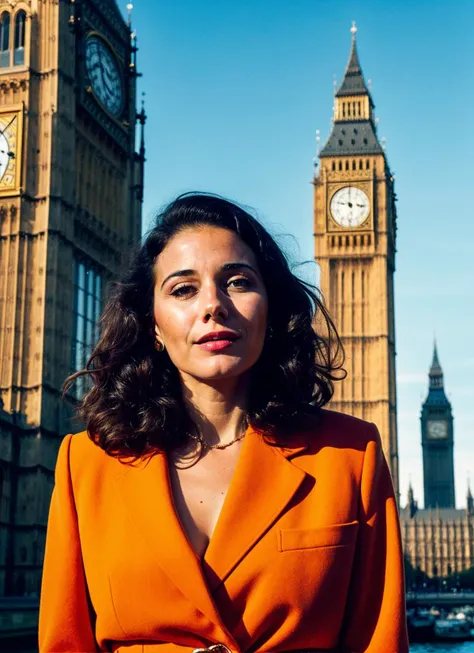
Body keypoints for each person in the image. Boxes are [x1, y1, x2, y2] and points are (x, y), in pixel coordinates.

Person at [39, 193, 409, 653]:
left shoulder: (350, 455)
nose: (213, 304)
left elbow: (380, 642)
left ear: (271, 308)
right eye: (182, 289)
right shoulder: (86, 464)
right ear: (152, 323)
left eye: (237, 282)